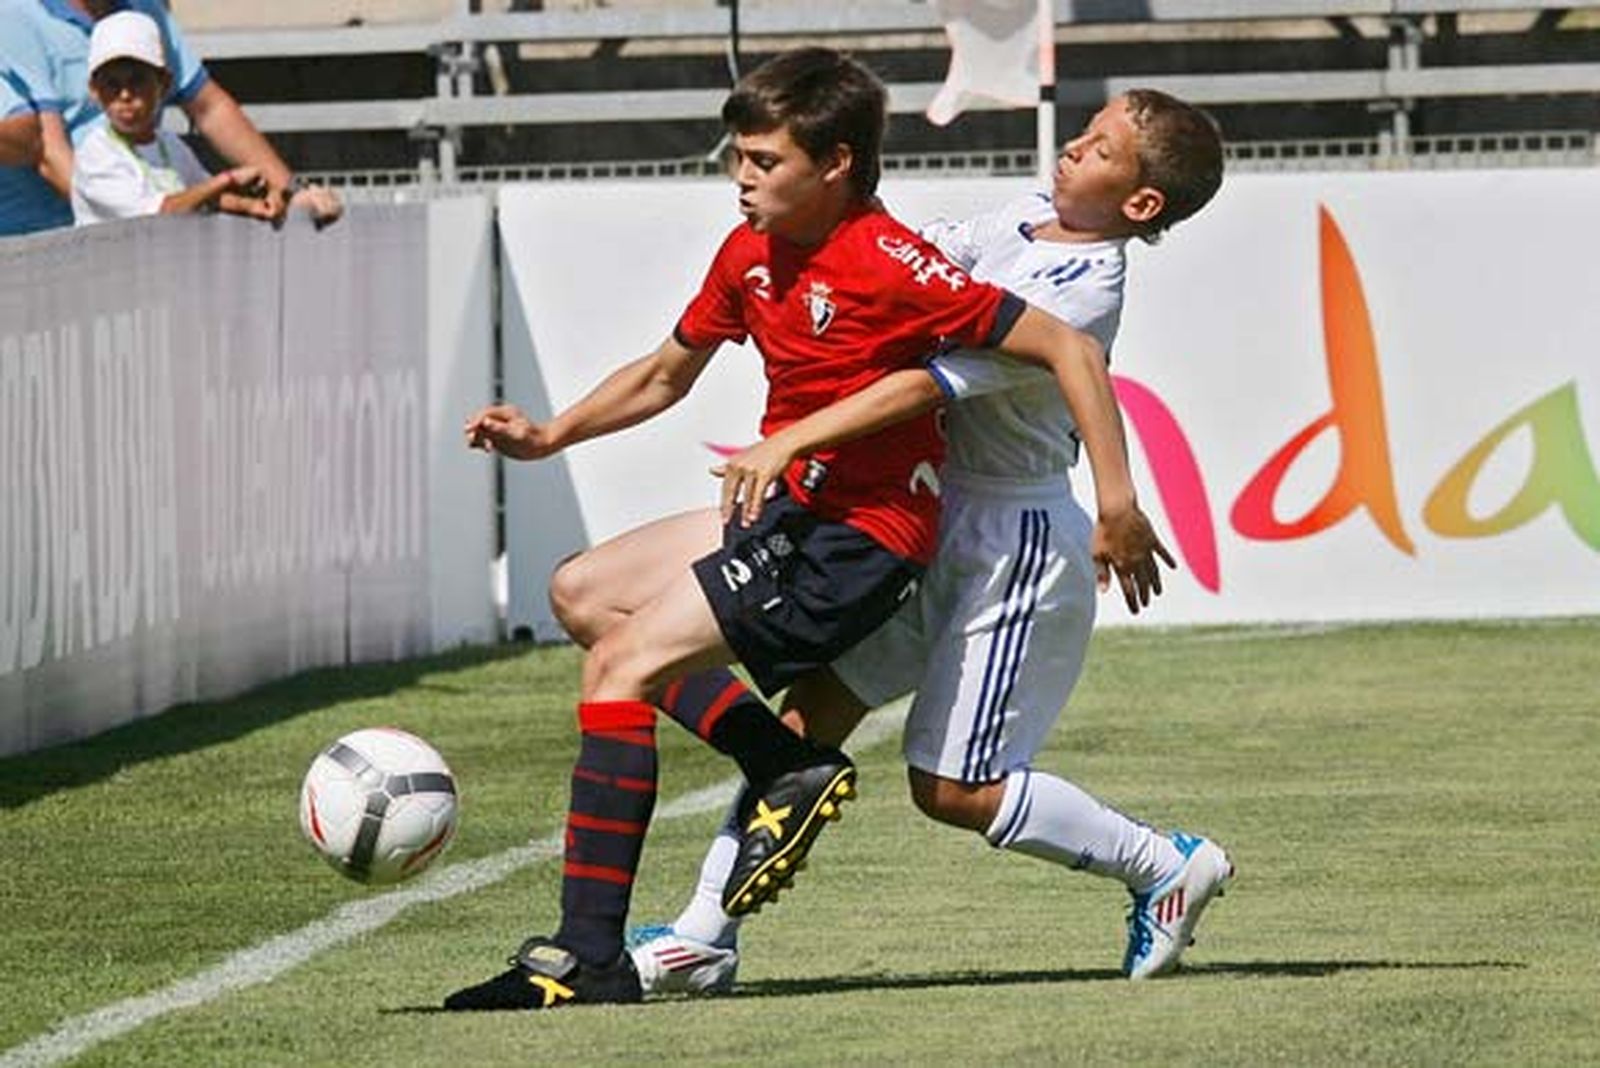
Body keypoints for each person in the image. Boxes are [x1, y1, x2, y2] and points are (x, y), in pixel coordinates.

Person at [444, 47, 1169, 1012]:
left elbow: (1067, 345)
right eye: (737, 157)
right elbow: (667, 373)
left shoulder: (887, 262)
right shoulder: (752, 247)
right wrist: (550, 434)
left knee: (622, 671)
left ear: (834, 165)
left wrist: (1117, 503)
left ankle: (587, 959)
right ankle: (784, 769)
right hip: (796, 506)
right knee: (581, 593)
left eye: (764, 161)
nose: (741, 178)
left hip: (858, 534)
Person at [625, 89, 1232, 992]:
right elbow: (915, 265)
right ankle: (704, 937)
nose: (1073, 147)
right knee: (808, 719)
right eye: (1085, 130)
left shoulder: (1084, 284)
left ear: (1140, 204)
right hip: (936, 514)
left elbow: (923, 383)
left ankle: (1161, 866)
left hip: (1011, 540)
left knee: (952, 789)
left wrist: (797, 433)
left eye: (1101, 148)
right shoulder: (1027, 217)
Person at [0, 0, 338, 236]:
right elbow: (48, 153)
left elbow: (209, 107)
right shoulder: (11, 15)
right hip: (42, 253)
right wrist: (130, 218)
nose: (126, 95)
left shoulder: (146, 10)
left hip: (141, 244)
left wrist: (290, 192)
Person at [70, 12, 323, 225]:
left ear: (164, 83)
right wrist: (229, 179)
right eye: (111, 84)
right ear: (94, 91)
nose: (125, 95)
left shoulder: (172, 145)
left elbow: (207, 197)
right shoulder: (95, 154)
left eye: (137, 81)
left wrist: (253, 205)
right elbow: (161, 215)